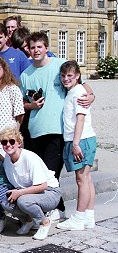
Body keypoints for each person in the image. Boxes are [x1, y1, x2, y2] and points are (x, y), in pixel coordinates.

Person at [20, 31, 94, 222]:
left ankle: (57, 209)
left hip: (57, 129)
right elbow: (22, 103)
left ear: (46, 48)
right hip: (35, 130)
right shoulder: (26, 74)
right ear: (28, 49)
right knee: (42, 173)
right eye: (32, 47)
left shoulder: (60, 65)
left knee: (52, 173)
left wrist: (91, 97)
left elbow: (84, 87)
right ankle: (56, 207)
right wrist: (32, 105)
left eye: (39, 47)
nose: (36, 51)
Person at [0, 126, 61, 240]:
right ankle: (28, 220)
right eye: (4, 142)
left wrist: (19, 193)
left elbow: (43, 186)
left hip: (50, 192)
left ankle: (44, 222)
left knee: (24, 201)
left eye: (12, 141)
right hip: (29, 193)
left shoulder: (30, 158)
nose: (8, 144)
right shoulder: (8, 159)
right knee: (4, 201)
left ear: (19, 143)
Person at [57, 61, 96, 231]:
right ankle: (88, 215)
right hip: (82, 138)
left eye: (70, 76)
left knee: (81, 179)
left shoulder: (78, 92)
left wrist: (76, 143)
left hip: (81, 139)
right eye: (64, 76)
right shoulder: (73, 91)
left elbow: (80, 118)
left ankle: (79, 217)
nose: (66, 79)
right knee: (86, 179)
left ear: (78, 76)